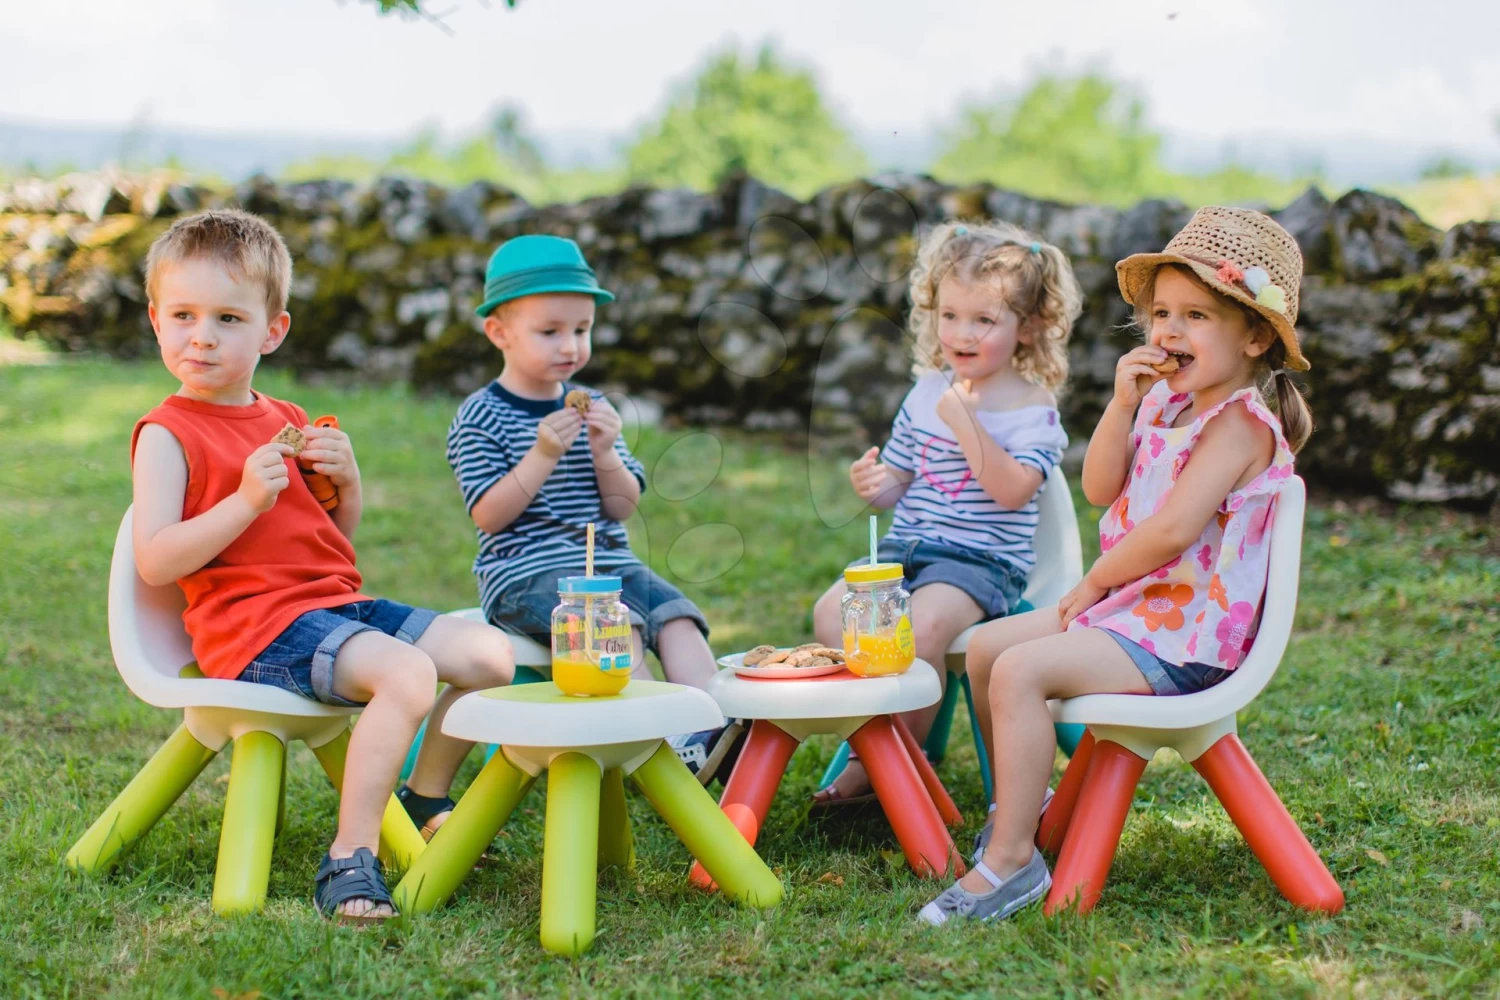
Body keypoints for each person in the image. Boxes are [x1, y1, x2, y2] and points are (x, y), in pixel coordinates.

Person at [922, 206, 1314, 925]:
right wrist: (1122, 402)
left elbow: (1168, 532)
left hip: (1184, 638)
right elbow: (1101, 487)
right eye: (1161, 312)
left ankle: (1010, 863)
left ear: (1256, 335)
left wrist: (1097, 580)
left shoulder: (1237, 424)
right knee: (985, 649)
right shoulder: (1167, 404)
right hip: (1136, 616)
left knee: (1020, 669)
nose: (1168, 330)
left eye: (1196, 314)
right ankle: (1021, 807)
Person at [130, 209, 515, 922]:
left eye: (227, 318)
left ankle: (424, 794)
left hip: (330, 611)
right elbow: (155, 561)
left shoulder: (287, 415)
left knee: (491, 657)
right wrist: (244, 501)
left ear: (272, 330)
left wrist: (350, 482)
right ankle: (349, 858)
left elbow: (329, 538)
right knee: (408, 674)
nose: (201, 336)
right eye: (182, 315)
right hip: (255, 632)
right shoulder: (167, 434)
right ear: (156, 320)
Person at [447, 234, 739, 783]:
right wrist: (541, 456)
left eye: (582, 330)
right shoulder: (480, 416)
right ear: (499, 332)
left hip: (610, 563)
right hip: (526, 572)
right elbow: (488, 515)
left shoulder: (594, 407)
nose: (570, 347)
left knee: (676, 619)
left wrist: (605, 451)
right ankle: (662, 741)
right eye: (550, 331)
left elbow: (622, 505)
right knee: (616, 626)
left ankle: (713, 725)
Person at [811, 220, 1082, 806]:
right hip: (906, 550)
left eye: (984, 320)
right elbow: (899, 484)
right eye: (950, 315)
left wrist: (965, 423)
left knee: (921, 628)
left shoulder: (1033, 409)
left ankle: (897, 772)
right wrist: (875, 484)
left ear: (1028, 329)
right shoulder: (926, 390)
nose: (962, 332)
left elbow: (1012, 493)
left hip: (980, 564)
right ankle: (880, 752)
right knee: (832, 614)